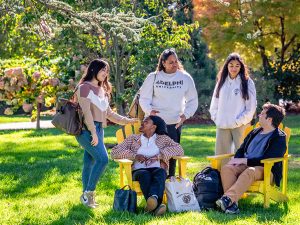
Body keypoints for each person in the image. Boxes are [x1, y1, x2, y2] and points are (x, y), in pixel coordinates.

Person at [75, 59, 138, 208]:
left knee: (89, 162)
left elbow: (109, 113)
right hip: (86, 130)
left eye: (106, 71)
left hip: (99, 129)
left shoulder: (103, 90)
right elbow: (86, 113)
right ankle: (89, 193)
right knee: (103, 159)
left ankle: (85, 197)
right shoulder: (84, 88)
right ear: (93, 70)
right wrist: (93, 133)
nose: (105, 73)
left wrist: (127, 121)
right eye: (102, 70)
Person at [216, 103, 286, 214]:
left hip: (266, 170)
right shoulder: (254, 132)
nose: (259, 115)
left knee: (250, 171)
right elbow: (241, 149)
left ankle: (227, 199)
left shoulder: (279, 138)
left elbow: (269, 159)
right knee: (227, 168)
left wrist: (246, 161)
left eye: (262, 114)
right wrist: (237, 160)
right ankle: (232, 205)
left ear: (269, 119)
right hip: (246, 165)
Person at [139, 48, 198, 177]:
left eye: (176, 61)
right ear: (163, 63)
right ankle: (155, 184)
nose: (174, 64)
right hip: (155, 125)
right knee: (153, 154)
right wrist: (150, 111)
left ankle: (170, 183)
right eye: (171, 62)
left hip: (174, 124)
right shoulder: (153, 77)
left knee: (171, 156)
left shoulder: (185, 77)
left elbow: (193, 100)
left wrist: (185, 115)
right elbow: (143, 98)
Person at [111, 115, 184, 216]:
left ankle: (152, 204)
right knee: (145, 174)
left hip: (157, 169)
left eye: (146, 122)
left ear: (153, 127)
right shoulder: (133, 139)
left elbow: (179, 149)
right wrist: (135, 156)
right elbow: (114, 152)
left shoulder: (163, 139)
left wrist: (159, 155)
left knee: (161, 172)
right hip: (139, 171)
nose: (142, 123)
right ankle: (156, 205)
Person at [209, 52, 256, 156]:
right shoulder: (221, 81)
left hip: (240, 125)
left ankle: (242, 173)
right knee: (221, 156)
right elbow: (214, 102)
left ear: (241, 67)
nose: (234, 68)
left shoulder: (247, 82)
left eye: (237, 65)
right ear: (227, 66)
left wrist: (238, 121)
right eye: (231, 65)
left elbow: (251, 107)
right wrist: (217, 118)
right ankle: (221, 173)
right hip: (222, 125)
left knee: (241, 155)